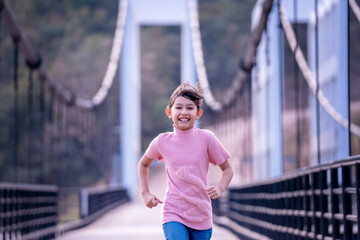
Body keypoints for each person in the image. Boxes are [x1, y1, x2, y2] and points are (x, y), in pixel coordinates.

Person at [138, 82, 234, 240]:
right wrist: (145, 193)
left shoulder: (207, 138)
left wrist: (220, 188)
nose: (184, 112)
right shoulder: (162, 141)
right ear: (169, 112)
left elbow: (227, 169)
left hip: (201, 214)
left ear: (198, 114)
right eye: (179, 107)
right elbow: (143, 164)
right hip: (173, 211)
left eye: (190, 108)